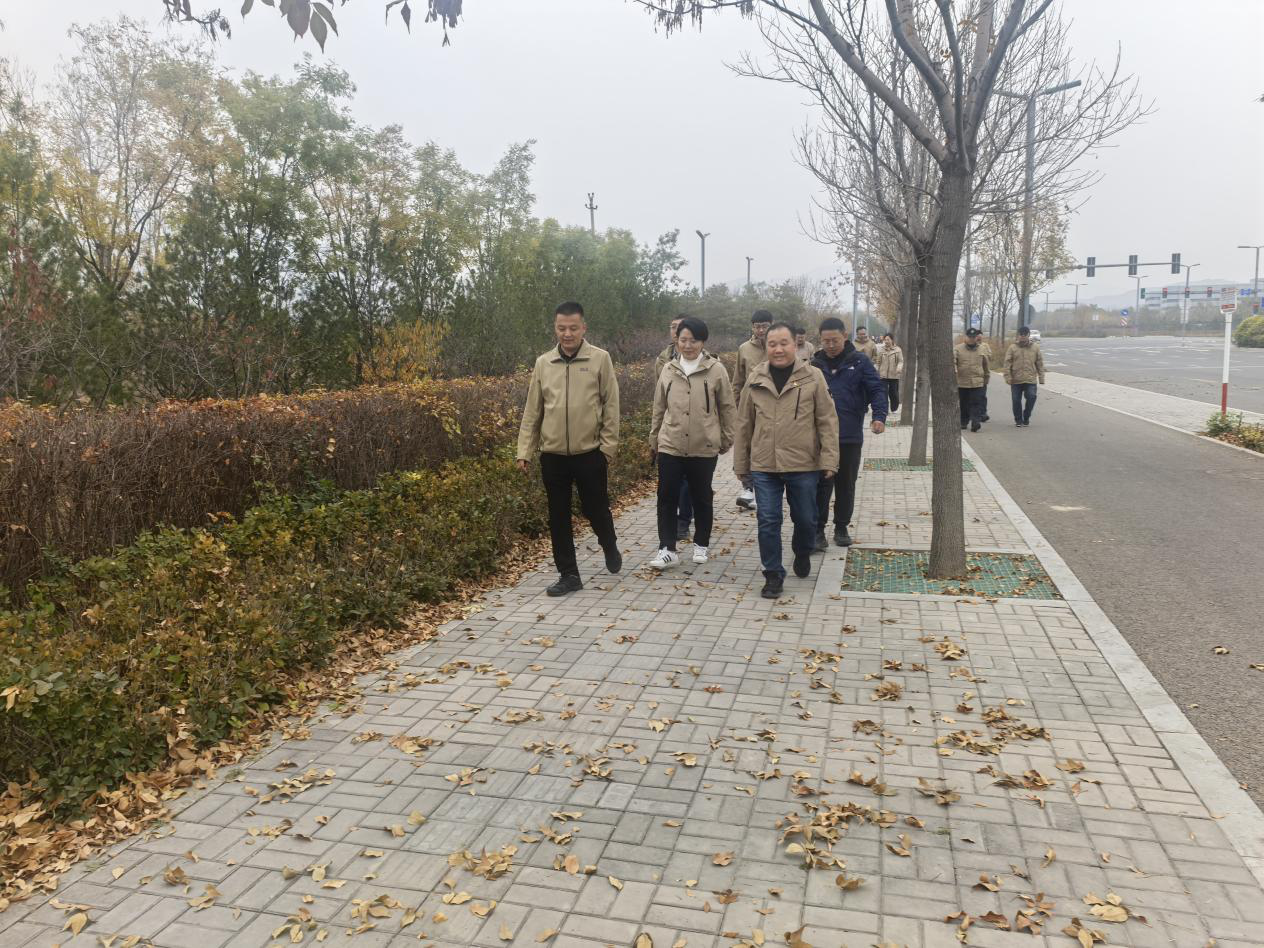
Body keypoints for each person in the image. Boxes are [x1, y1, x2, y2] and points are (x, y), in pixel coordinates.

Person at [517, 301, 622, 597]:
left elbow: (611, 405)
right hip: (553, 456)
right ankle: (569, 574)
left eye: (573, 328)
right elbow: (533, 411)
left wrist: (607, 448)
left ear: (583, 328)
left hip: (590, 453)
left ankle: (609, 543)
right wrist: (524, 451)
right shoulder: (543, 363)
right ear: (555, 328)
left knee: (595, 509)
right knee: (558, 516)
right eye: (561, 328)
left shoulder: (600, 359)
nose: (567, 334)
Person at [733, 322, 839, 600]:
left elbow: (827, 421)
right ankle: (773, 574)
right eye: (772, 344)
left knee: (806, 519)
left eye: (783, 343)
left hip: (803, 463)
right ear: (765, 346)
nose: (778, 349)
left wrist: (829, 459)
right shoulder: (756, 378)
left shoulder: (813, 377)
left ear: (795, 345)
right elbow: (744, 424)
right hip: (764, 464)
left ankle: (802, 551)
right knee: (768, 519)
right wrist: (741, 463)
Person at [647, 317, 736, 570]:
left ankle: (701, 544)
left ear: (703, 341)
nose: (687, 345)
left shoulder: (716, 370)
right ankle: (667, 549)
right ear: (677, 340)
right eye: (683, 340)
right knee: (666, 497)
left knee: (702, 497)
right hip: (670, 444)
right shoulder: (668, 369)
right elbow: (659, 407)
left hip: (703, 445)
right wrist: (654, 438)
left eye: (693, 340)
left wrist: (726, 437)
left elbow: (727, 407)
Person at [811, 318, 887, 550]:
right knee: (821, 485)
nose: (830, 345)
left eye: (834, 340)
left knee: (846, 484)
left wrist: (879, 416)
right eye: (825, 341)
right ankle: (817, 530)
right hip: (820, 437)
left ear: (845, 336)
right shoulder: (814, 365)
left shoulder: (859, 362)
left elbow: (876, 389)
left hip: (849, 434)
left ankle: (841, 527)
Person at [653, 315, 693, 539]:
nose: (676, 331)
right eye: (673, 327)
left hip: (695, 431)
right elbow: (658, 396)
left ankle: (684, 520)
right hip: (670, 428)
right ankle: (671, 525)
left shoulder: (703, 359)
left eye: (681, 327)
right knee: (670, 483)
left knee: (688, 481)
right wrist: (655, 432)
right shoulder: (663, 359)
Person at [732, 310, 773, 511]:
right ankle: (748, 488)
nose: (761, 330)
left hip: (773, 407)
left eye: (764, 326)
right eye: (757, 326)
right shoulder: (744, 349)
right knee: (746, 446)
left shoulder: (777, 346)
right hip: (749, 406)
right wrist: (735, 407)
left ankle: (768, 487)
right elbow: (738, 380)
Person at [1004, 325, 1046, 427]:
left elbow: (1039, 363)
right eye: (1021, 334)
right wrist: (1008, 376)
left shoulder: (1035, 347)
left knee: (1032, 397)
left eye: (1025, 334)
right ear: (1018, 335)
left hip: (1030, 379)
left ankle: (1026, 416)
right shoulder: (1012, 348)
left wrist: (1041, 377)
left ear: (1028, 335)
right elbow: (1007, 363)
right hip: (1016, 379)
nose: (1022, 336)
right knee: (1016, 400)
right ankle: (1018, 420)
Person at [954, 327, 990, 433]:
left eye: (973, 337)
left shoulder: (982, 349)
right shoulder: (958, 348)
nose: (971, 339)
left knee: (976, 402)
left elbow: (986, 365)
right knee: (964, 403)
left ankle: (975, 422)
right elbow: (953, 361)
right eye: (970, 337)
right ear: (966, 337)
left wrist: (986, 378)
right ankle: (963, 421)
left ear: (976, 337)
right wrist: (955, 370)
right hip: (962, 381)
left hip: (977, 381)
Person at [876, 332, 904, 414]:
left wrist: (899, 368)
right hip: (883, 375)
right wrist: (876, 370)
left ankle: (894, 408)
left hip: (894, 375)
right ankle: (885, 409)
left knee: (893, 393)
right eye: (885, 340)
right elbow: (878, 362)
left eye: (888, 339)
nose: (886, 341)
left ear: (892, 340)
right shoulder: (881, 350)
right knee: (883, 393)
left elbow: (900, 361)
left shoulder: (898, 350)